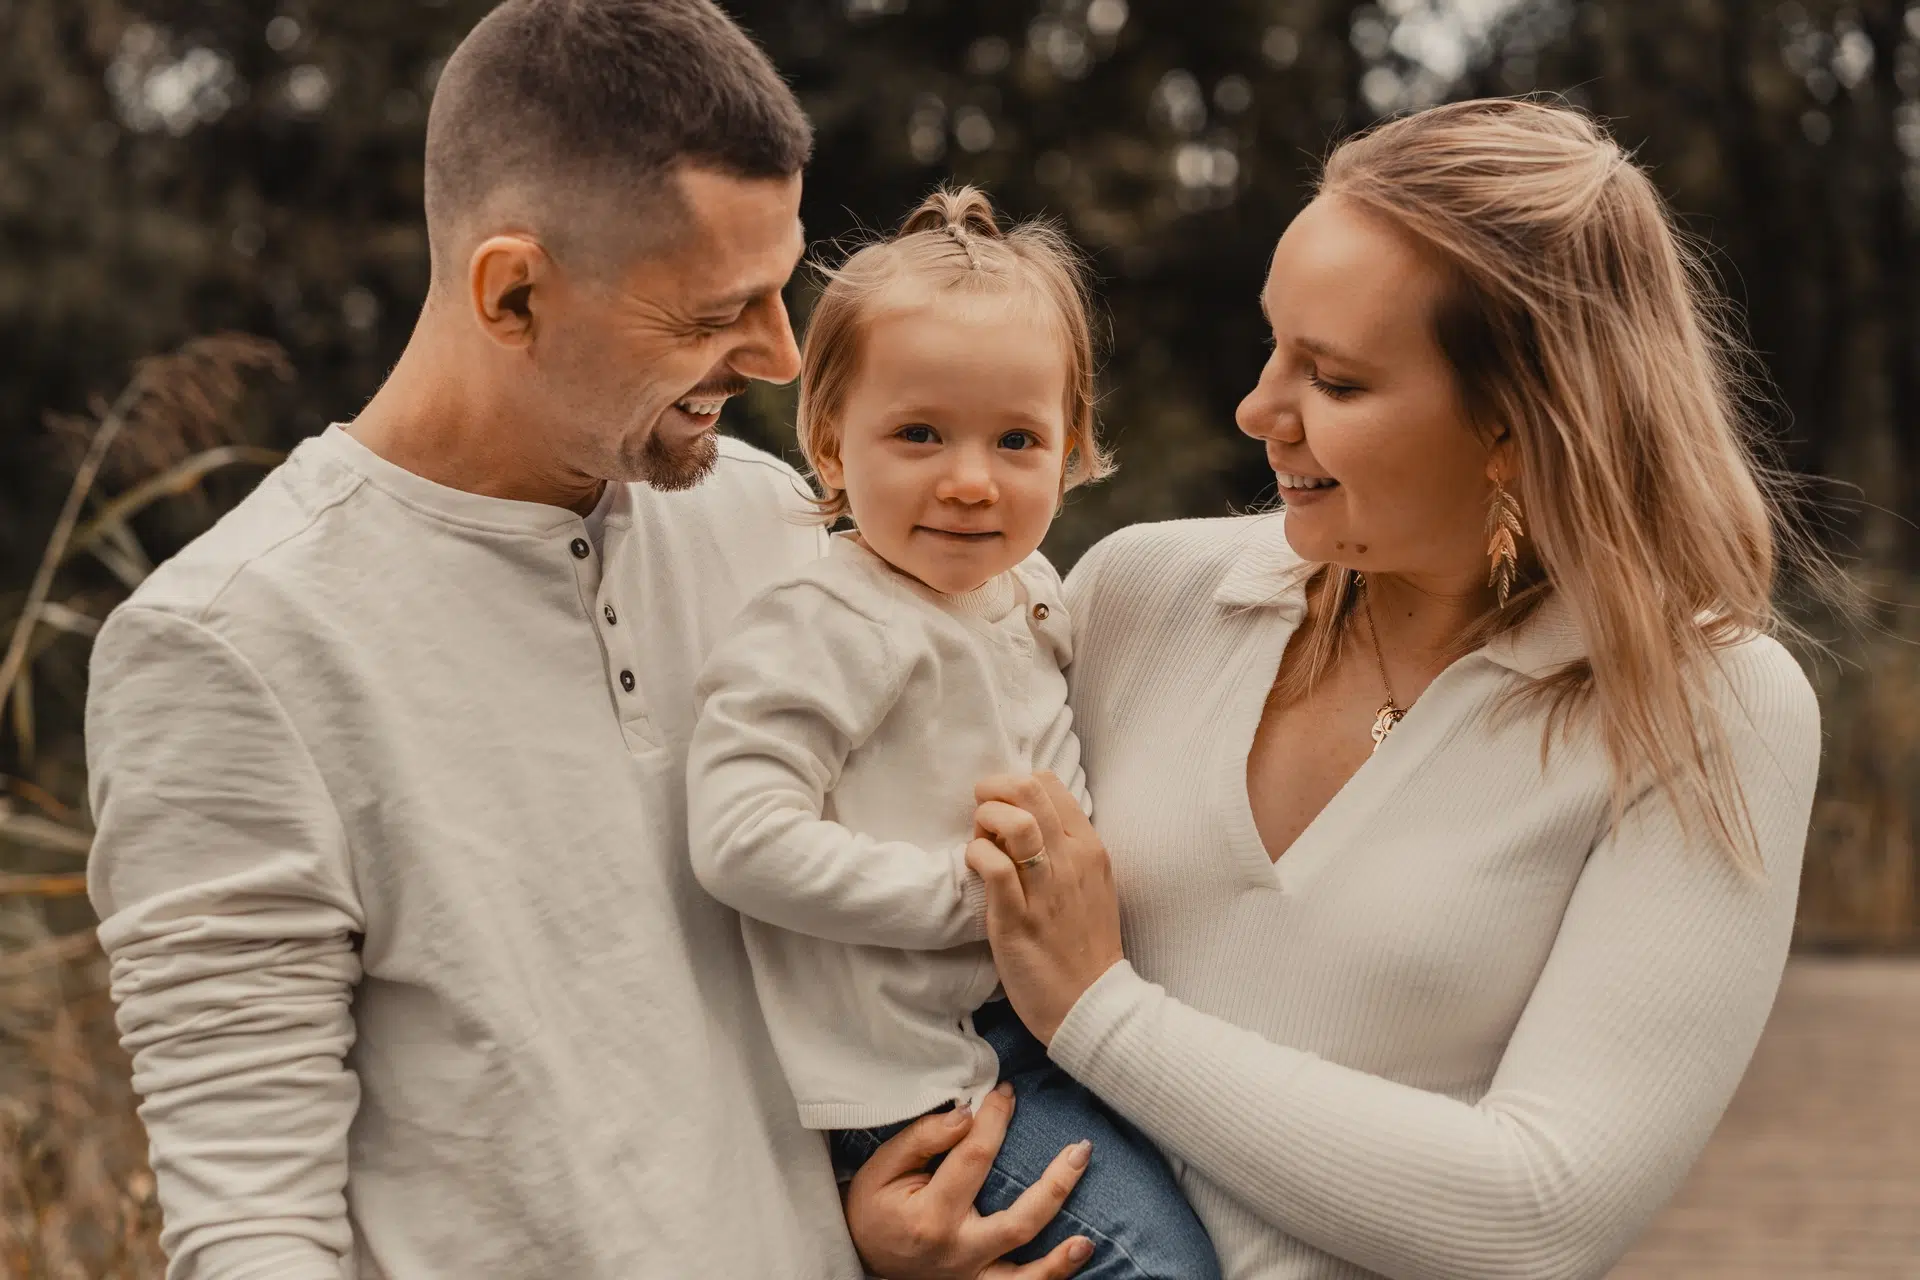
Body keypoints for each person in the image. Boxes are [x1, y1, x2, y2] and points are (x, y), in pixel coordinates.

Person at [83, 3, 1089, 1277]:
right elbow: (253, 1225)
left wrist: (884, 1237)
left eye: (782, 290)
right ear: (513, 291)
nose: (781, 356)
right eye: (719, 310)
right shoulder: (228, 644)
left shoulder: (782, 522)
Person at [957, 99, 1825, 1279]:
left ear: (1517, 428)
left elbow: (1538, 1211)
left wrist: (1102, 1013)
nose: (1259, 410)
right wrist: (895, 1215)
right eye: (1275, 346)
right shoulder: (1133, 595)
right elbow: (914, 960)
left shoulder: (1707, 704)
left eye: (1337, 380)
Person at [686, 187, 1220, 1280]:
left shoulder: (1030, 589)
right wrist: (967, 901)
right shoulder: (828, 619)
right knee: (1154, 1263)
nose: (971, 481)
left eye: (1017, 438)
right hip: (918, 1081)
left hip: (1043, 1029)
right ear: (832, 442)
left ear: (1070, 447)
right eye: (919, 433)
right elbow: (739, 833)